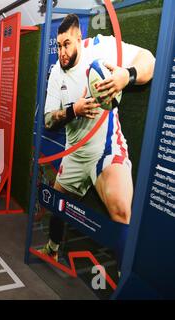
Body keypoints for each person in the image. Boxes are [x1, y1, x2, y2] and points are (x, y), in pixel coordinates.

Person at [39, 14, 155, 265]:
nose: (62, 51)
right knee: (57, 205)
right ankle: (52, 249)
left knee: (121, 210)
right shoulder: (57, 73)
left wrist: (128, 75)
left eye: (67, 44)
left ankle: (125, 276)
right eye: (58, 46)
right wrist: (74, 110)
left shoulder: (102, 48)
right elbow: (48, 120)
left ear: (80, 38)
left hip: (106, 148)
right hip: (75, 152)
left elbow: (149, 60)